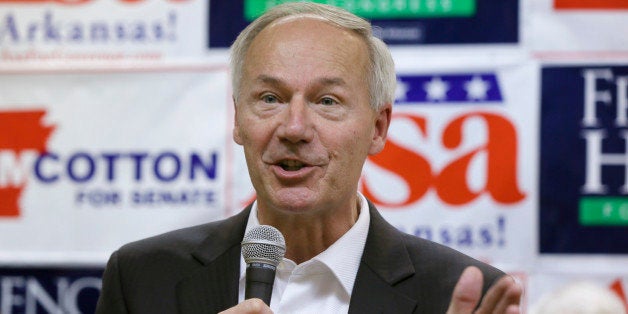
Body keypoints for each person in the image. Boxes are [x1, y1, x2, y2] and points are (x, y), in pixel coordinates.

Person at [96, 2, 522, 313]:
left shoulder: (463, 294)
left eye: (327, 101)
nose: (294, 128)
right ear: (238, 119)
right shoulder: (141, 278)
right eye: (269, 98)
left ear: (378, 128)